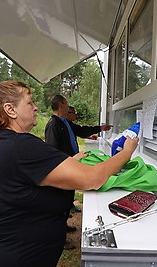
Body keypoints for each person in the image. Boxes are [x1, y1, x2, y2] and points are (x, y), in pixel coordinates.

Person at [0, 80, 139, 266]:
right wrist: (126, 152)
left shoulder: (4, 142)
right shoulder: (20, 146)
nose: (35, 107)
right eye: (29, 102)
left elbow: (30, 176)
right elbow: (93, 179)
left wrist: (70, 162)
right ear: (11, 110)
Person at [45, 95, 112, 249]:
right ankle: (59, 239)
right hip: (63, 169)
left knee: (67, 200)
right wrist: (64, 166)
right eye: (67, 103)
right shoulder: (53, 124)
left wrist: (100, 128)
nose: (68, 106)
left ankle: (64, 226)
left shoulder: (65, 122)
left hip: (70, 166)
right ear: (61, 104)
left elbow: (81, 130)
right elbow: (53, 150)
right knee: (59, 204)